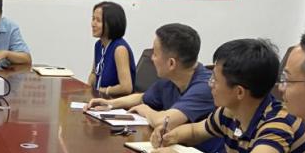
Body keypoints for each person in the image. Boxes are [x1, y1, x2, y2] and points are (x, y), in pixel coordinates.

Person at [149, 38, 305, 153]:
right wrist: (171, 136)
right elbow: (195, 131)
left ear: (239, 92)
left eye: (215, 80)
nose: (210, 84)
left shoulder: (278, 122)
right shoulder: (229, 112)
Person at [86, 23, 215, 134]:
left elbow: (164, 121)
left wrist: (145, 110)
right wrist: (110, 103)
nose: (151, 58)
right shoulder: (170, 79)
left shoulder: (206, 86)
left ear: (171, 63)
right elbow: (142, 97)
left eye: (155, 53)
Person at [86, 1, 134, 97]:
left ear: (111, 23)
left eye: (98, 20)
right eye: (93, 19)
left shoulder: (119, 49)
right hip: (100, 98)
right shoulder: (99, 45)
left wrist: (105, 91)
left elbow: (126, 87)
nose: (93, 24)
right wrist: (87, 89)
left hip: (115, 101)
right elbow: (94, 73)